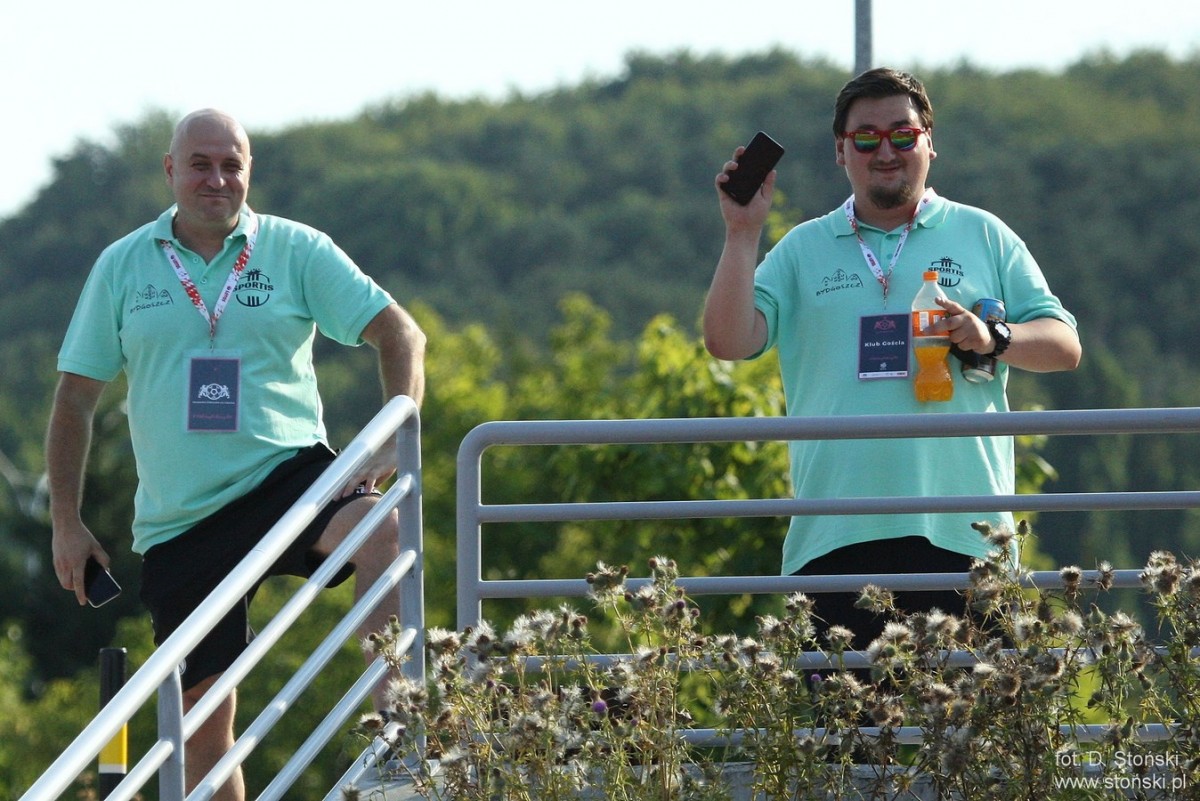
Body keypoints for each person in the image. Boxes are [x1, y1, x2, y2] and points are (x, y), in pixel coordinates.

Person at [46, 109, 427, 800]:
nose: (216, 179)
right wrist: (66, 522)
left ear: (250, 171)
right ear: (170, 170)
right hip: (181, 518)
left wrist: (387, 433)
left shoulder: (296, 248)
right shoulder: (122, 264)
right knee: (201, 729)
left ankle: (399, 750)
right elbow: (74, 400)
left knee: (384, 530)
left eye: (232, 165)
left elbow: (401, 335)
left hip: (289, 477)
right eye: (200, 164)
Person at [703, 68, 1081, 650]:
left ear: (930, 142)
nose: (886, 151)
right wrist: (740, 233)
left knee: (974, 712)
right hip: (834, 538)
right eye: (866, 138)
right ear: (840, 151)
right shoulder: (803, 246)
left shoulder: (984, 233)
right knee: (847, 714)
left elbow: (1064, 345)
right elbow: (728, 342)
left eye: (903, 135)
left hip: (968, 535)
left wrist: (992, 336)